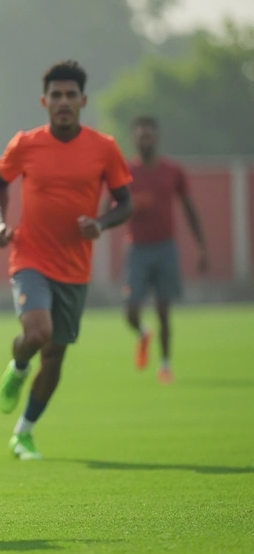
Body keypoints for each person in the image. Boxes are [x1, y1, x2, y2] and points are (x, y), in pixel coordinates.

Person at [0, 60, 133, 460]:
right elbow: (0, 185)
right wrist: (1, 222)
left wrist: (101, 224)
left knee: (54, 356)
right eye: (57, 95)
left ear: (83, 100)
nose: (64, 102)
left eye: (71, 95)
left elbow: (126, 203)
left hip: (74, 268)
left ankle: (24, 432)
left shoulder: (104, 148)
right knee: (37, 335)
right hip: (30, 257)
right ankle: (18, 367)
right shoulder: (26, 144)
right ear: (44, 101)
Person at [122, 116, 206, 384]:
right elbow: (110, 208)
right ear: (134, 139)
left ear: (156, 137)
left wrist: (201, 246)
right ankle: (143, 333)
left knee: (163, 310)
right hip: (136, 248)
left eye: (149, 134)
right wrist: (131, 206)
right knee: (131, 310)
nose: (145, 139)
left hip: (165, 247)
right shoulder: (125, 172)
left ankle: (165, 365)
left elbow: (189, 207)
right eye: (140, 135)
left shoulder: (172, 170)